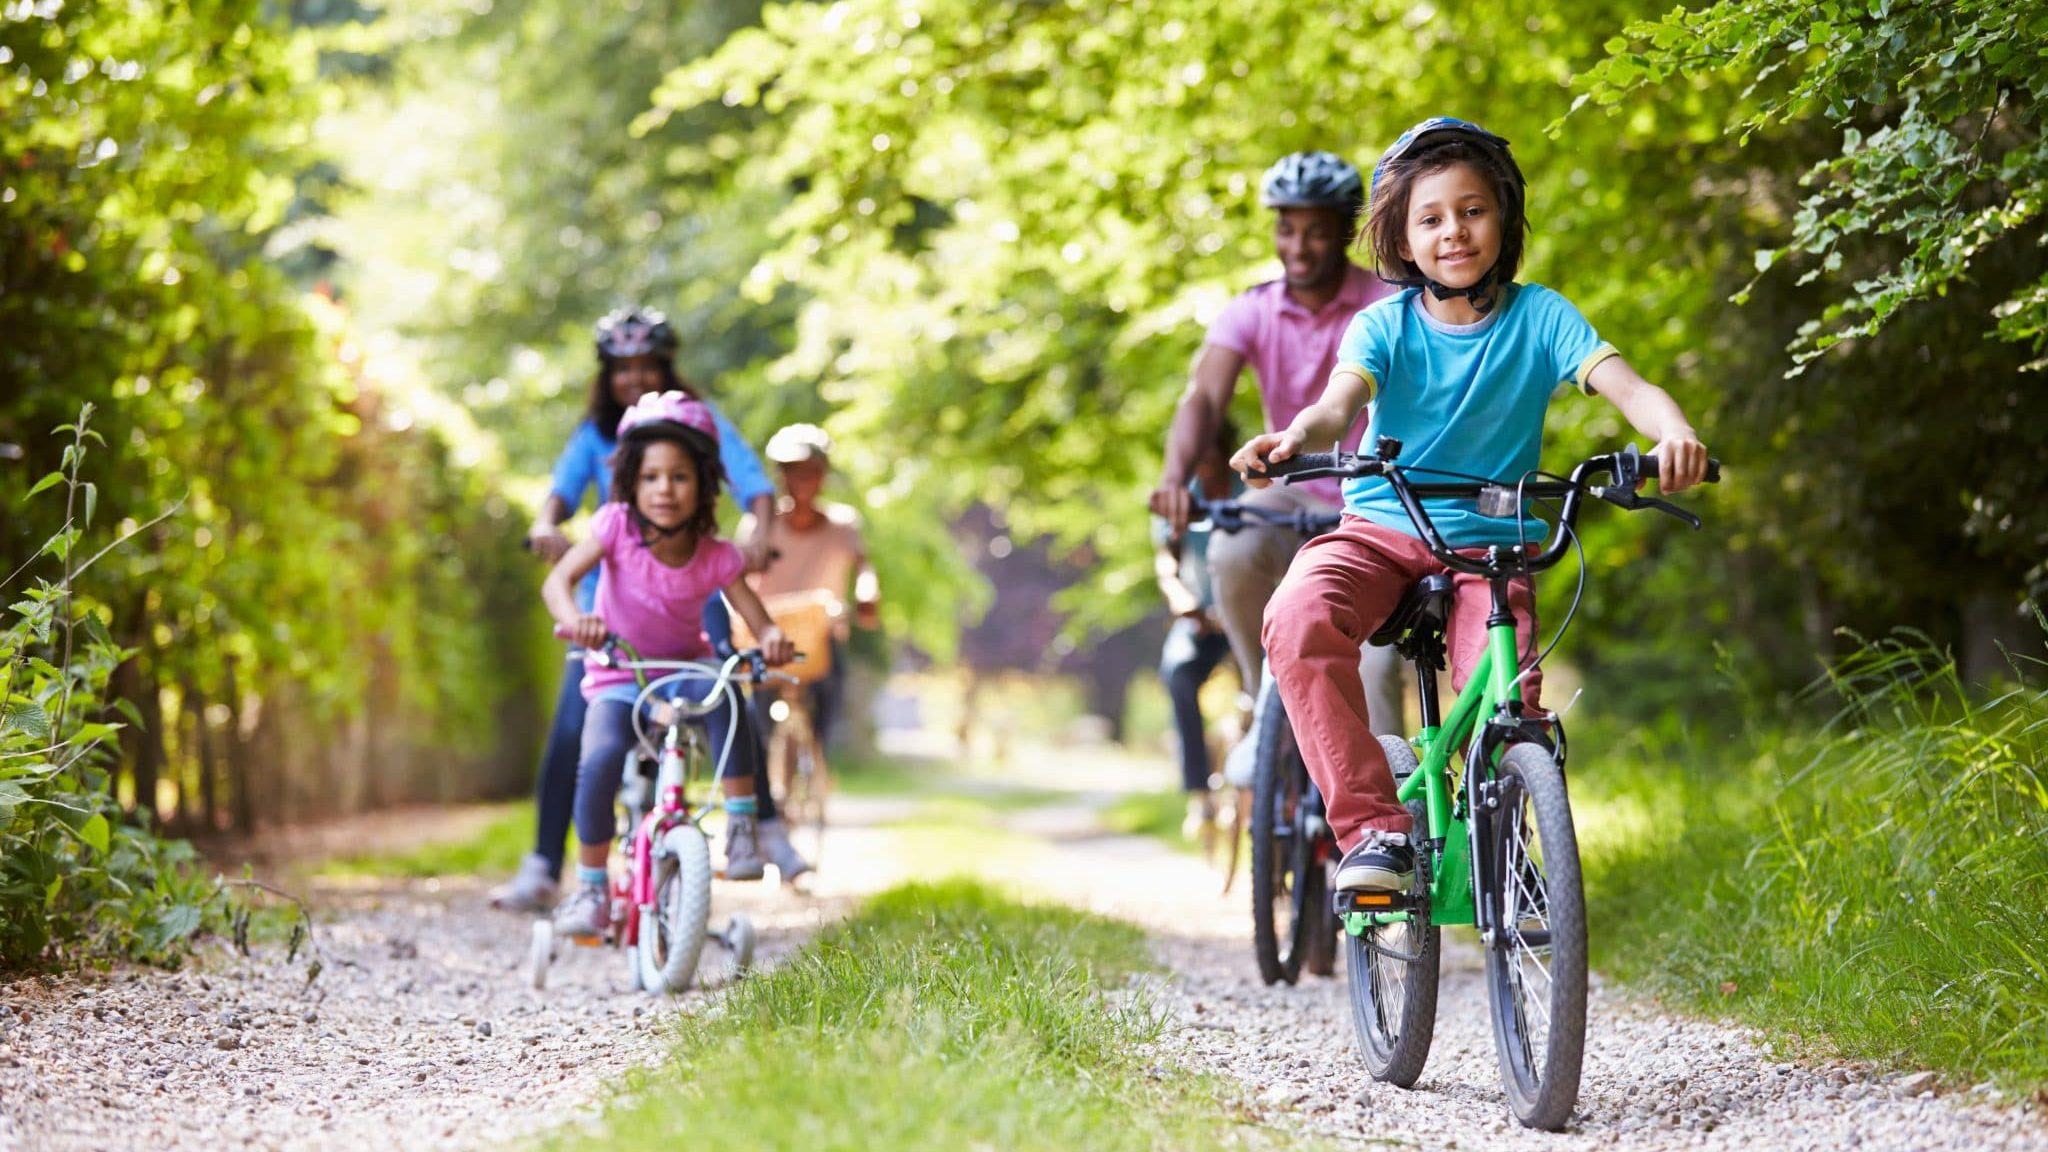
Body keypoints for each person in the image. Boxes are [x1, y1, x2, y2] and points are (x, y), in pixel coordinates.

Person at [1235, 118, 1709, 893]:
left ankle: (1510, 836)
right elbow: (1335, 405)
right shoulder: (1383, 325)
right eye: (1430, 218)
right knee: (1297, 618)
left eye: (1473, 210)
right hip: (1383, 532)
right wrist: (1294, 437)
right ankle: (1374, 834)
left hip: (1492, 549)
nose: (1454, 231)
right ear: (1403, 238)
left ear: (1505, 218)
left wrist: (1674, 434)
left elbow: (1632, 388)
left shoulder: (1542, 316)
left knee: (1508, 704)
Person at [492, 309, 804, 912]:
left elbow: (751, 484)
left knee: (726, 686)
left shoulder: (700, 429)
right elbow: (557, 496)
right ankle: (550, 868)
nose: (634, 377)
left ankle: (757, 825)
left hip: (690, 601)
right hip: (607, 624)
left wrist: (759, 537)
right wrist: (543, 526)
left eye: (646, 367)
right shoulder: (597, 448)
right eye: (622, 368)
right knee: (577, 738)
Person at [1148, 150, 1406, 784]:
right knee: (1234, 544)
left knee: (1378, 674)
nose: (1299, 245)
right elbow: (1204, 398)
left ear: (1344, 231)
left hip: (1372, 493)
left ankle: (1399, 834)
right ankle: (1263, 699)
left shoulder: (1384, 301)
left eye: (1316, 229)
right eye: (1286, 228)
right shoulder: (1253, 309)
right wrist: (1173, 477)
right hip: (1287, 487)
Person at [541, 392, 795, 937]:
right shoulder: (613, 528)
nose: (664, 489)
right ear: (632, 482)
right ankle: (590, 886)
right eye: (652, 477)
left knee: (730, 695)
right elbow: (557, 581)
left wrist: (771, 638)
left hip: (684, 667)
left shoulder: (716, 555)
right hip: (619, 670)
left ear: (704, 484)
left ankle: (743, 825)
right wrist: (577, 619)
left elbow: (758, 617)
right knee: (601, 756)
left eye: (680, 477)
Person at [739, 423, 880, 751]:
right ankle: (765, 772)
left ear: (823, 474)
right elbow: (736, 578)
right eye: (793, 470)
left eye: (810, 470)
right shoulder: (759, 526)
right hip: (768, 633)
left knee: (829, 695)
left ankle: (818, 758)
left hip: (821, 633)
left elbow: (864, 567)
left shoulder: (843, 525)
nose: (802, 478)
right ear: (780, 476)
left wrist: (867, 594)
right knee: (757, 718)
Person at [1152, 415, 1241, 840]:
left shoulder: (1251, 490)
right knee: (1178, 676)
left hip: (1247, 613)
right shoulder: (1182, 496)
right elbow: (1166, 560)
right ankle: (1198, 794)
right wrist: (1181, 600)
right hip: (1201, 619)